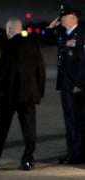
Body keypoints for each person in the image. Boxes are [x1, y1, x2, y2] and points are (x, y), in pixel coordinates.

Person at [0, 17, 46, 170]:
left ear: (9, 30)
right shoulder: (33, 45)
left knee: (2, 127)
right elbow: (40, 70)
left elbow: (2, 73)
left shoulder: (7, 46)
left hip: (9, 95)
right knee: (29, 129)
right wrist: (39, 91)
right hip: (29, 95)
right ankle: (28, 160)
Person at [46, 5, 85, 164]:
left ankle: (78, 154)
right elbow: (46, 40)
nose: (61, 18)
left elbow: (84, 61)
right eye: (61, 16)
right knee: (69, 119)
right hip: (65, 84)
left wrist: (79, 83)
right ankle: (72, 152)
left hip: (77, 84)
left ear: (74, 17)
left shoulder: (82, 34)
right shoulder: (63, 33)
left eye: (65, 16)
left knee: (78, 119)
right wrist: (50, 27)